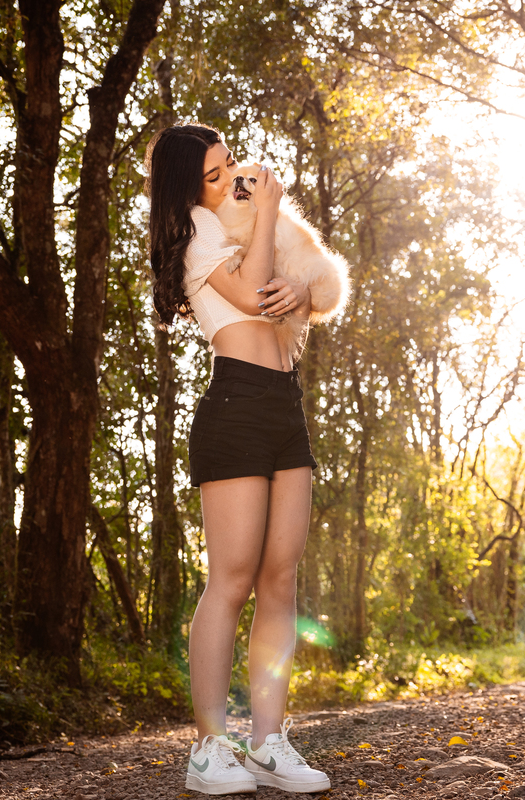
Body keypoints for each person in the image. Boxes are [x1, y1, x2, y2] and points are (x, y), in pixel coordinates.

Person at [145, 121, 331, 795]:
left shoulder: (239, 225)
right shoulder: (198, 228)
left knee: (280, 581)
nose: (234, 183)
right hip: (235, 407)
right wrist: (271, 209)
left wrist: (305, 291)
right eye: (216, 177)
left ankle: (269, 743)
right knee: (230, 580)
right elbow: (254, 298)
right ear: (188, 191)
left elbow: (300, 301)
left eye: (233, 169)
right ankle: (208, 748)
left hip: (285, 403)